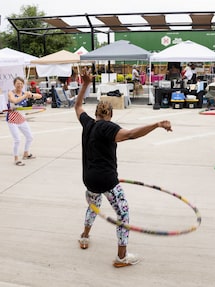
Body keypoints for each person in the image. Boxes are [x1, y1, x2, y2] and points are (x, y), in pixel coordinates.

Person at [74, 68, 172, 268]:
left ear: (95, 113)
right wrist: (157, 124)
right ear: (110, 113)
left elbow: (77, 106)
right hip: (107, 180)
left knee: (94, 206)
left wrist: (85, 85)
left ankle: (84, 237)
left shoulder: (88, 124)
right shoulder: (108, 127)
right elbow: (130, 134)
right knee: (123, 215)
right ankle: (121, 258)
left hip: (89, 179)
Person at [7, 76, 43, 166]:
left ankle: (26, 154)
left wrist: (31, 94)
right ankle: (16, 159)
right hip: (12, 120)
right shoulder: (11, 93)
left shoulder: (25, 93)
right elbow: (14, 101)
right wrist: (25, 95)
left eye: (21, 83)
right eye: (17, 83)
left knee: (30, 137)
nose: (19, 85)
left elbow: (40, 96)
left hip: (21, 119)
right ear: (14, 84)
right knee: (17, 140)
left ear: (23, 84)